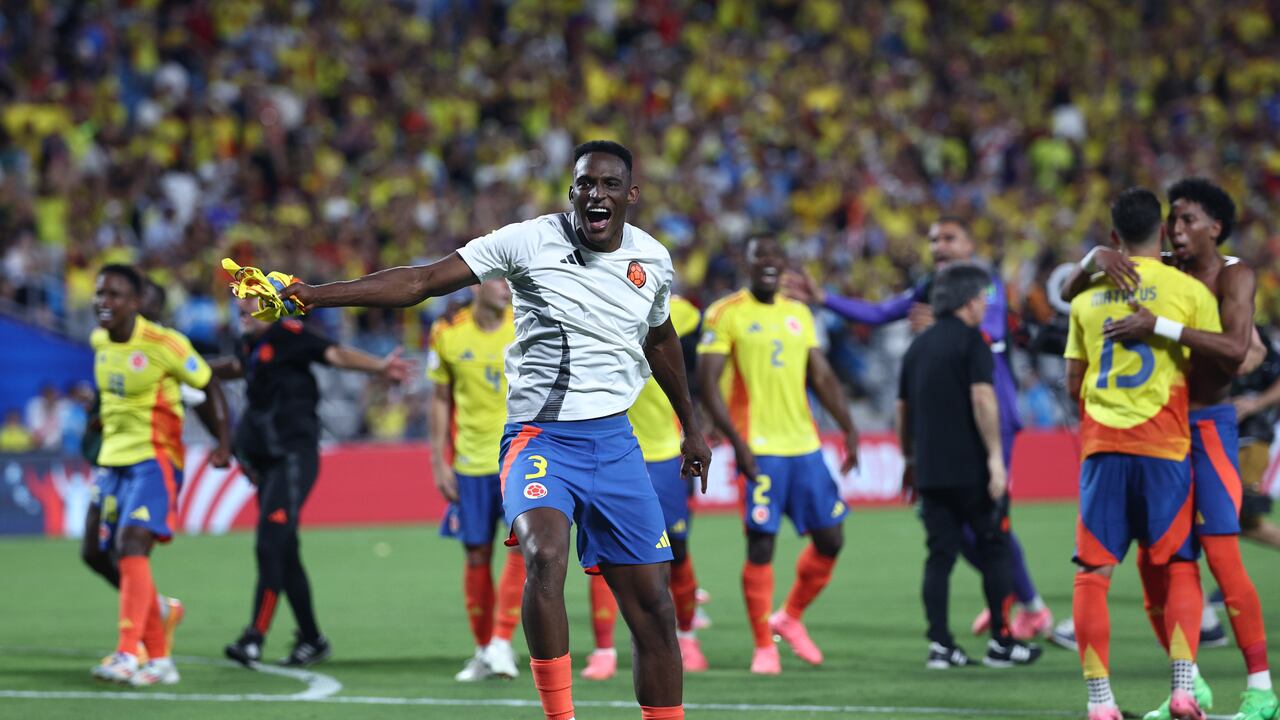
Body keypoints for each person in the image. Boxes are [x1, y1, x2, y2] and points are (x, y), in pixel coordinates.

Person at [271, 140, 711, 720]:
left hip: (615, 444)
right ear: (571, 190)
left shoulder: (652, 260)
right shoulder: (526, 240)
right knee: (546, 553)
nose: (595, 195)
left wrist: (691, 425)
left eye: (608, 185)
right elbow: (422, 280)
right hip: (540, 439)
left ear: (630, 194)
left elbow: (660, 339)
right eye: (584, 184)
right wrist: (315, 296)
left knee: (654, 608)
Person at [784, 218, 1053, 641]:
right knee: (952, 522)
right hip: (954, 418)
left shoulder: (985, 284)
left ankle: (1030, 608)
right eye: (933, 240)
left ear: (969, 243)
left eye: (949, 238)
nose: (939, 246)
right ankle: (1006, 595)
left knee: (989, 519)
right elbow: (879, 313)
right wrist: (824, 298)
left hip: (991, 413)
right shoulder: (932, 287)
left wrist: (943, 325)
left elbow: (992, 330)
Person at [1072, 178, 1277, 720]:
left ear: (1216, 227)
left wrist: (1155, 325)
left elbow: (1238, 350)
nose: (1179, 231)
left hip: (1205, 427)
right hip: (1160, 435)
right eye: (1175, 221)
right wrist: (1094, 256)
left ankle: (1260, 689)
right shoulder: (1164, 268)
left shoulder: (1235, 273)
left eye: (1189, 221)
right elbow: (1071, 290)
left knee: (1221, 556)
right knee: (1153, 563)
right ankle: (1192, 686)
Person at [220, 296, 412, 667]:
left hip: (293, 458)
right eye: (239, 303)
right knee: (284, 549)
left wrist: (380, 367)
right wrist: (193, 368)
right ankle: (311, 639)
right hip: (267, 461)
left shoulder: (289, 333)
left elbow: (335, 354)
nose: (241, 308)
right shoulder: (249, 345)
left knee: (270, 543)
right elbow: (234, 368)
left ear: (271, 307)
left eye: (251, 302)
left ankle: (253, 637)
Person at [697, 236, 858, 675]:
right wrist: (736, 441)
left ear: (785, 265)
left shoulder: (798, 312)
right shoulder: (725, 312)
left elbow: (820, 373)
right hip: (759, 448)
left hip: (805, 445)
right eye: (759, 257)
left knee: (831, 540)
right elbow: (707, 382)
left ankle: (789, 616)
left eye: (775, 257)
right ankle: (763, 646)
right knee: (761, 544)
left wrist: (848, 427)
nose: (769, 263)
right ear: (745, 264)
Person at [87, 264, 233, 686]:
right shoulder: (99, 341)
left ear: (135, 302)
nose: (104, 302)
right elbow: (114, 391)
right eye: (100, 293)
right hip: (112, 461)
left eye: (114, 294)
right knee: (109, 553)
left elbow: (206, 384)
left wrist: (225, 442)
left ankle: (127, 652)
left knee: (131, 543)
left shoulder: (163, 344)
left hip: (156, 459)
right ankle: (161, 658)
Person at [898, 262, 1042, 669]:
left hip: (930, 469)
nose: (984, 305)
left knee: (939, 556)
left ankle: (940, 645)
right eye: (981, 298)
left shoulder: (918, 346)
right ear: (967, 301)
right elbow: (983, 399)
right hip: (971, 471)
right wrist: (996, 460)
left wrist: (908, 458)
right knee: (995, 549)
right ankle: (1001, 640)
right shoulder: (973, 343)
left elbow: (901, 410)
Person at [582, 294, 708, 679]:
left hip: (664, 452)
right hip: (613, 449)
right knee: (603, 554)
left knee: (678, 549)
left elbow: (691, 344)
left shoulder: (674, 309)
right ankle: (604, 650)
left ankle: (686, 637)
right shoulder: (590, 302)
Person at [426, 279, 526, 681]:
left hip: (520, 457)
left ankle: (503, 640)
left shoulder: (525, 323)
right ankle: (484, 649)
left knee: (524, 550)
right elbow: (438, 398)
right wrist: (438, 462)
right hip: (469, 463)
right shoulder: (447, 333)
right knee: (476, 555)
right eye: (498, 278)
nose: (507, 287)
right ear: (475, 285)